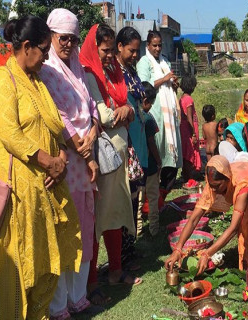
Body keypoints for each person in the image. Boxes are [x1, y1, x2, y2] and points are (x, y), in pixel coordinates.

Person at [0, 15, 82, 318]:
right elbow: (9, 134)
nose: (47, 58)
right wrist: (48, 161)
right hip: (15, 196)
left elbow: (54, 129)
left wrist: (62, 161)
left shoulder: (37, 82)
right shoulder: (2, 81)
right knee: (16, 269)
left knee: (44, 267)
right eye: (44, 50)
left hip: (41, 194)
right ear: (27, 46)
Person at [38, 9, 100, 317]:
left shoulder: (76, 67)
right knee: (64, 231)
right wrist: (84, 148)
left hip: (86, 162)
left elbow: (91, 105)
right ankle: (59, 303)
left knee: (84, 228)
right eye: (64, 39)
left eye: (73, 40)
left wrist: (94, 129)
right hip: (65, 161)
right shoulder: (45, 69)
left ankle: (78, 296)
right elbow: (58, 117)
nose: (69, 45)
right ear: (50, 37)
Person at [79, 24, 141, 287]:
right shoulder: (89, 73)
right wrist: (124, 111)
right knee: (97, 218)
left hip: (117, 155)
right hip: (101, 158)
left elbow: (127, 107)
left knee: (115, 213)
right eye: (104, 50)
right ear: (94, 48)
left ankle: (115, 270)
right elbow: (104, 116)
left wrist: (126, 110)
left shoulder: (113, 71)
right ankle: (92, 280)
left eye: (110, 49)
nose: (108, 55)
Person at [164, 156, 248, 272]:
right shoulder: (213, 182)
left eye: (218, 186)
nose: (214, 190)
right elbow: (194, 219)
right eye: (212, 186)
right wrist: (178, 249)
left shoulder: (242, 185)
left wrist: (207, 253)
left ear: (227, 179)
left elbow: (233, 228)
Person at [137, 30, 182, 204]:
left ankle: (161, 196)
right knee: (158, 153)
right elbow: (144, 86)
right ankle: (153, 199)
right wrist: (164, 79)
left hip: (168, 116)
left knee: (170, 158)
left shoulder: (164, 61)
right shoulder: (144, 62)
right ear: (147, 45)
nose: (157, 48)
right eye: (154, 45)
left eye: (159, 45)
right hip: (155, 113)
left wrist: (173, 83)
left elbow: (168, 86)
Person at [115, 26, 147, 270]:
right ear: (119, 47)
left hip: (136, 138)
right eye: (131, 50)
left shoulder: (131, 71)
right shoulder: (115, 73)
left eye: (137, 51)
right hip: (123, 139)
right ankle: (122, 254)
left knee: (135, 191)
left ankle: (131, 247)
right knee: (124, 196)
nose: (135, 55)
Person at [141, 82, 163, 236]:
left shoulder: (135, 117)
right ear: (146, 102)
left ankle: (137, 229)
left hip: (138, 166)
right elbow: (151, 143)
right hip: (150, 165)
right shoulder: (148, 119)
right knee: (153, 196)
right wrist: (159, 160)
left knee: (139, 198)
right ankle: (154, 228)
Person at [179, 74, 201, 187]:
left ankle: (185, 175)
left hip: (183, 129)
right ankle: (189, 178)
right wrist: (193, 133)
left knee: (186, 152)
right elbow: (189, 117)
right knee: (190, 153)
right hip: (188, 130)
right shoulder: (189, 99)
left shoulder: (182, 98)